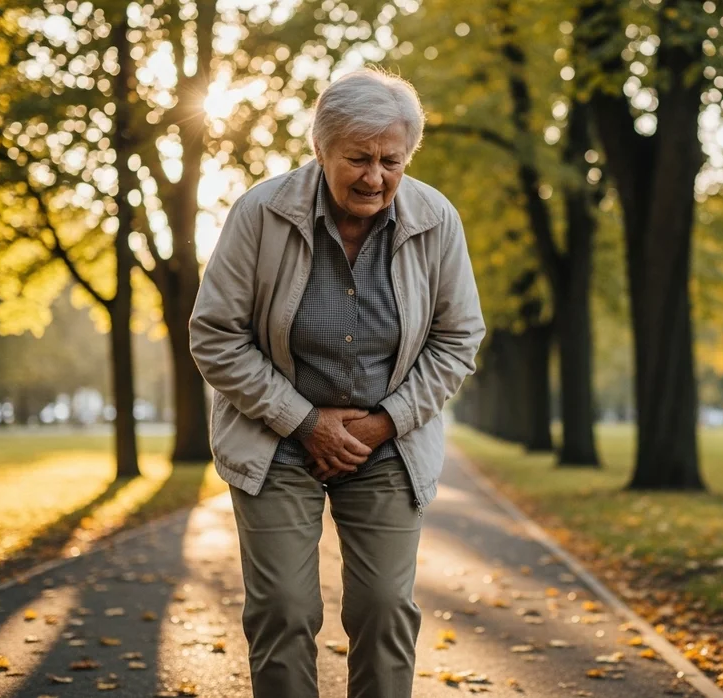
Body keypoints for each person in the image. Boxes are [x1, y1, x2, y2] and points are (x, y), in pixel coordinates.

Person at [189, 67, 485, 698]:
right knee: (284, 613)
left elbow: (459, 338)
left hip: (387, 442)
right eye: (356, 158)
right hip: (275, 438)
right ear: (320, 150)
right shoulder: (260, 213)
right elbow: (215, 333)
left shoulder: (436, 221)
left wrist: (384, 422)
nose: (374, 177)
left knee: (384, 610)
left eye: (390, 160)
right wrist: (303, 421)